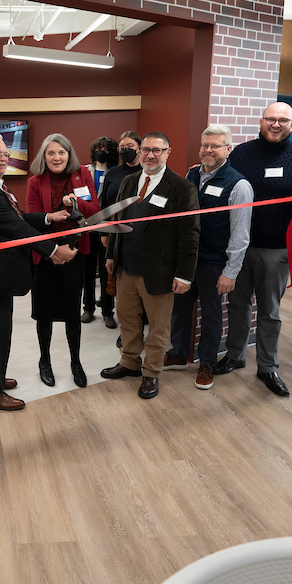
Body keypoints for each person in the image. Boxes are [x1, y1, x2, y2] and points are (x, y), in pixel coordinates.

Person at [220, 102, 292, 397]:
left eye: (283, 120)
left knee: (270, 311)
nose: (276, 124)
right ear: (261, 121)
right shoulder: (240, 153)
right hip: (239, 248)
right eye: (271, 119)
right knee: (238, 306)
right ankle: (235, 355)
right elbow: (221, 178)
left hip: (278, 250)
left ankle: (268, 366)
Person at [0, 132, 76, 411]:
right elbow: (16, 228)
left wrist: (49, 217)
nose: (3, 159)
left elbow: (18, 219)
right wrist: (53, 250)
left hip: (1, 276)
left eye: (5, 154)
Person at [100, 132, 200, 399]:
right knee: (128, 319)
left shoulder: (181, 188)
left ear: (168, 152)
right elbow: (117, 221)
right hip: (126, 268)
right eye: (146, 150)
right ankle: (129, 362)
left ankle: (151, 373)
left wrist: (184, 275)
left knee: (157, 327)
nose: (150, 155)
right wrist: (111, 255)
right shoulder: (129, 181)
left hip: (160, 272)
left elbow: (190, 235)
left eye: (157, 150)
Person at [165, 125, 253, 391]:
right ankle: (180, 353)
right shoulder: (191, 174)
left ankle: (206, 363)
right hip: (186, 259)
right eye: (205, 145)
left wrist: (231, 272)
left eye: (216, 145)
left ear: (228, 149)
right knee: (180, 308)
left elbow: (241, 234)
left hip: (214, 263)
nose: (209, 150)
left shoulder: (239, 185)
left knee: (212, 315)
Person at [26, 133, 100, 388]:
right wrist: (53, 218)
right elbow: (33, 218)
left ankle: (75, 361)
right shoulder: (35, 181)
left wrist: (77, 202)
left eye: (61, 152)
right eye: (51, 153)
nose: (56, 157)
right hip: (46, 254)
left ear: (69, 155)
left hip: (75, 253)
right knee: (44, 312)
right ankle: (44, 360)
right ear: (43, 156)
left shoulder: (82, 175)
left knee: (71, 311)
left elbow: (95, 211)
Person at [99, 130, 142, 341]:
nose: (125, 151)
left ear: (140, 148)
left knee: (132, 278)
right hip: (112, 230)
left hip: (137, 234)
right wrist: (104, 230)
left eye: (129, 147)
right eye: (122, 148)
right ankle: (107, 312)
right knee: (109, 271)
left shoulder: (147, 172)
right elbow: (104, 204)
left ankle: (135, 323)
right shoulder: (113, 173)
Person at [82, 136, 119, 326]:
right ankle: (88, 308)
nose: (101, 152)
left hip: (107, 228)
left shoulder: (115, 173)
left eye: (105, 149)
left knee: (107, 271)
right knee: (87, 270)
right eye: (98, 148)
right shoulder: (84, 171)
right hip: (87, 227)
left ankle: (107, 311)